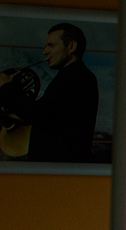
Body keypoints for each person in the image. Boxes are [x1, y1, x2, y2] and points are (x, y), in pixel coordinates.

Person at [0, 22, 99, 162]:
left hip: (62, 169)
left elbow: (39, 115)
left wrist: (6, 87)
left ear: (71, 47)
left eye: (51, 46)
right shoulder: (74, 76)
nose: (45, 51)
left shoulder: (75, 77)